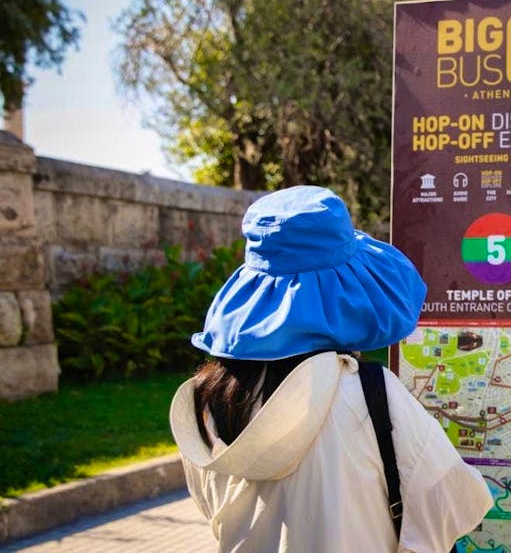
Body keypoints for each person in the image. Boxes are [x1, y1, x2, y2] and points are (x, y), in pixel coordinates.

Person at [169, 186, 493, 552]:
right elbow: (451, 505)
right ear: (349, 288)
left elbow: (212, 505)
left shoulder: (205, 398)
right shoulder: (372, 394)